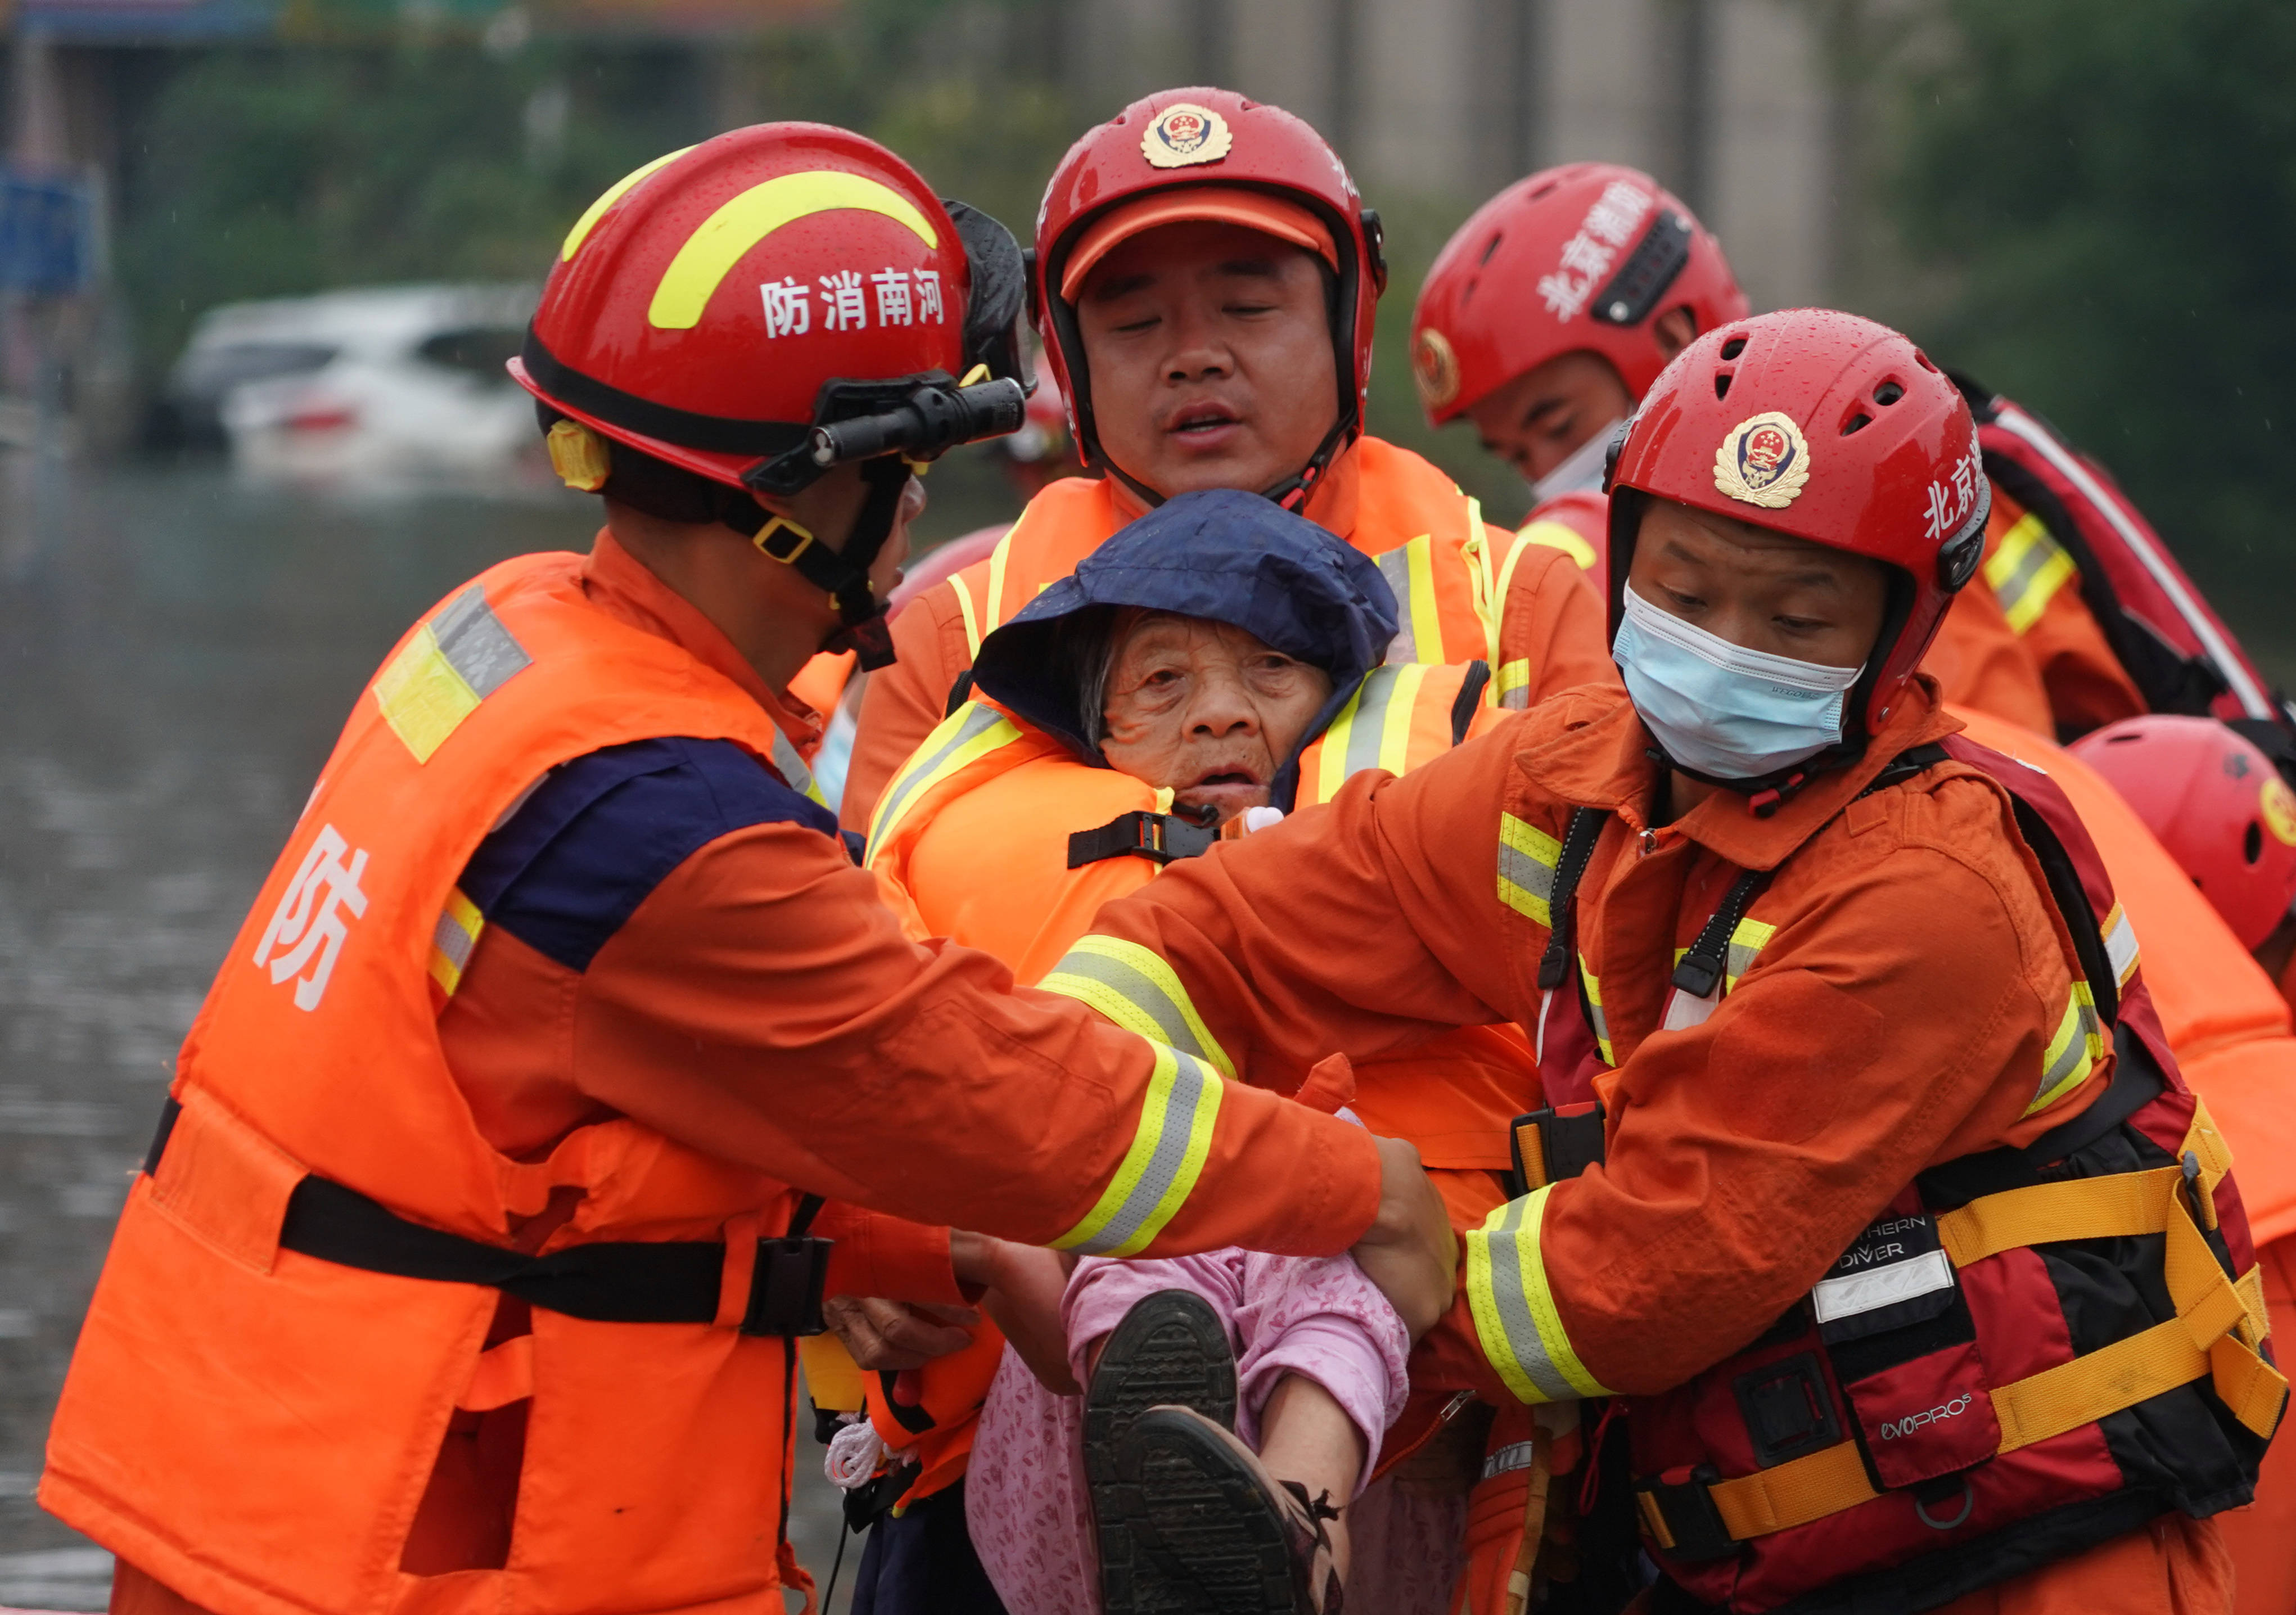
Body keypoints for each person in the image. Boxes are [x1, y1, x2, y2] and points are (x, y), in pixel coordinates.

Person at [37, 125, 1459, 1615]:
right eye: (905, 469)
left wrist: (896, 1244)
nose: (916, 509)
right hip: (428, 1529)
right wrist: (1348, 1187)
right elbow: (979, 1087)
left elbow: (578, 1103)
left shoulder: (507, 634)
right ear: (796, 492)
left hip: (273, 1484)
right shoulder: (658, 823)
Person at [1049, 309, 2284, 1613]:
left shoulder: (1934, 889)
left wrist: (1376, 1253)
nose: (1724, 647)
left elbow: (1647, 1272)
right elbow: (1226, 935)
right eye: (1683, 592)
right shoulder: (1569, 778)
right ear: (1622, 549)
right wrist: (1061, 1112)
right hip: (1749, 1550)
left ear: (1902, 633)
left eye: (1798, 616)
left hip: (2030, 1561)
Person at [858, 490, 1532, 1613]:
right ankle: (1177, 1471)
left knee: (1343, 1223)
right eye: (1163, 681)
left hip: (1387, 1438)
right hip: (1067, 1426)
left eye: (1268, 671)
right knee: (1118, 1204)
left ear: (1332, 707)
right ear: (1099, 733)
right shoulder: (1008, 845)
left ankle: (1284, 1522)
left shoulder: (1402, 848)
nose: (1219, 714)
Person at [838, 86, 1614, 832]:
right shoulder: (945, 642)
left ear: (1348, 328)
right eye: (1136, 323)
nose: (1195, 357)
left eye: (1248, 309)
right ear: (1071, 367)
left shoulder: (1521, 605)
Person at [1410, 161, 2294, 750]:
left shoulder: (1878, 483)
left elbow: (1984, 747)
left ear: (1676, 333)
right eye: (1517, 455)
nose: (1552, 479)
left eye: (1560, 426)